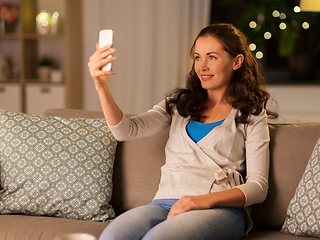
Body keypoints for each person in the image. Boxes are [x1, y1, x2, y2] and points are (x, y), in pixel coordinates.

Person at [88, 23, 278, 240]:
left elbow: (258, 186)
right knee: (112, 236)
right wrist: (100, 85)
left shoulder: (251, 113)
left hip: (219, 209)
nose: (202, 67)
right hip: (164, 203)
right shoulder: (179, 104)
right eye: (197, 57)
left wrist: (202, 200)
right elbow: (126, 131)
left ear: (237, 61)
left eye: (212, 57)